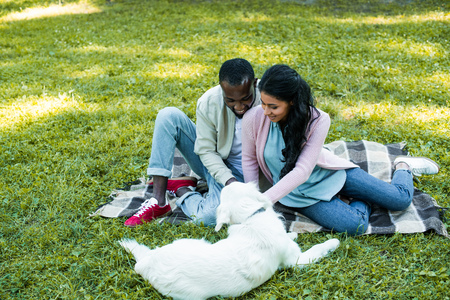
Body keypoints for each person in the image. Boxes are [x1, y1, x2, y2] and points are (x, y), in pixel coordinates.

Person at [242, 64, 440, 235]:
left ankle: (403, 165)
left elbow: (303, 170)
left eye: (273, 107)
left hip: (330, 173)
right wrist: (253, 197)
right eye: (264, 104)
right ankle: (364, 197)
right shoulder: (254, 118)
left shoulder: (318, 120)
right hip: (299, 193)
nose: (266, 111)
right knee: (355, 225)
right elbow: (249, 160)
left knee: (400, 200)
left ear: (291, 101)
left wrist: (264, 201)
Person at [124, 58, 261, 227]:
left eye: (245, 99)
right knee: (168, 116)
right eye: (230, 101)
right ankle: (158, 201)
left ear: (254, 84)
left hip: (253, 172)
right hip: (216, 165)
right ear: (221, 89)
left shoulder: (269, 98)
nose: (239, 107)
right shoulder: (209, 101)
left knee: (208, 218)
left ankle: (182, 190)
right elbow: (206, 151)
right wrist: (229, 181)